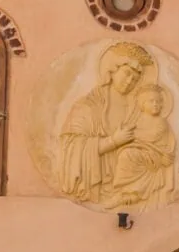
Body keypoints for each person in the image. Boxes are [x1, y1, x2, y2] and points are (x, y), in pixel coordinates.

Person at [58, 42, 153, 204]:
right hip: (101, 183)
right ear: (112, 70)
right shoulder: (87, 107)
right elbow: (72, 147)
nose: (130, 81)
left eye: (136, 79)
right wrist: (114, 141)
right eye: (127, 73)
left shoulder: (139, 109)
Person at [106, 84, 176, 209]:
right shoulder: (138, 120)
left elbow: (152, 137)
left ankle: (129, 195)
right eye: (151, 101)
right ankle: (124, 192)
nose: (156, 104)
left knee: (127, 154)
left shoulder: (161, 122)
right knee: (122, 154)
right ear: (142, 105)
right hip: (140, 151)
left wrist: (132, 136)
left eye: (158, 101)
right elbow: (130, 133)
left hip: (154, 155)